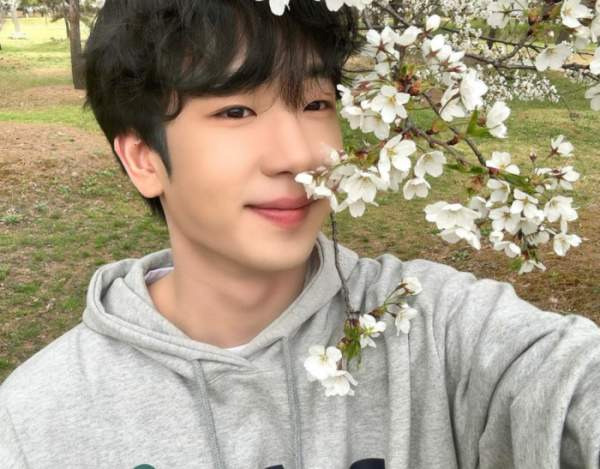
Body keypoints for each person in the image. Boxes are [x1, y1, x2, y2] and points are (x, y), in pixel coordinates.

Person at [1, 1, 599, 468]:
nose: (300, 157)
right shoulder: (35, 424)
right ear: (143, 159)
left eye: (316, 104)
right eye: (236, 111)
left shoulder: (431, 328)